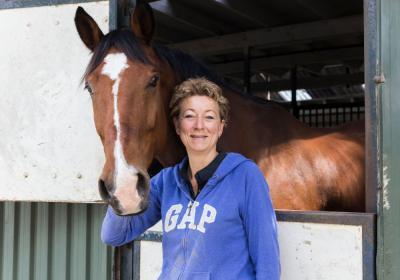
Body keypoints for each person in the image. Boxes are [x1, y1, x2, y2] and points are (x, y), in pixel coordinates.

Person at [101, 77, 280, 279]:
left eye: (210, 117)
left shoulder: (246, 177)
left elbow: (267, 261)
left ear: (221, 126)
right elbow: (113, 235)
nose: (199, 126)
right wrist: (121, 183)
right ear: (178, 126)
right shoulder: (166, 182)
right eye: (189, 116)